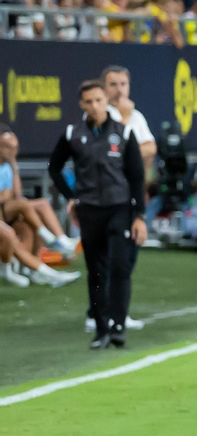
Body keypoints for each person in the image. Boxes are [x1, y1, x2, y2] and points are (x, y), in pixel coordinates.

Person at [47, 80, 148, 347]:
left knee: (119, 266)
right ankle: (101, 329)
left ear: (107, 102)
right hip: (89, 210)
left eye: (98, 100)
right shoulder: (73, 133)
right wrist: (72, 197)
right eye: (88, 102)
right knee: (96, 270)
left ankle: (118, 324)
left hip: (120, 208)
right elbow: (54, 168)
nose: (94, 106)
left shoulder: (124, 133)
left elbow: (137, 176)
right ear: (82, 105)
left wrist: (139, 215)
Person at [97, 65, 154, 332]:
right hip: (104, 198)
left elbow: (150, 148)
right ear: (104, 88)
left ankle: (117, 311)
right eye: (113, 84)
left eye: (123, 84)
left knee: (127, 256)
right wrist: (124, 122)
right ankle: (99, 313)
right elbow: (109, 153)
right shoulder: (100, 115)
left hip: (130, 194)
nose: (119, 90)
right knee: (105, 258)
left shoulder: (136, 117)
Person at [0, 124, 80, 289]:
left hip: (6, 211)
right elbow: (9, 198)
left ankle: (40, 261)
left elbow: (14, 195)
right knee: (17, 218)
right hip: (3, 213)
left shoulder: (7, 167)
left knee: (30, 222)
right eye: (8, 147)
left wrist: (14, 166)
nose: (13, 151)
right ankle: (50, 259)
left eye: (15, 147)